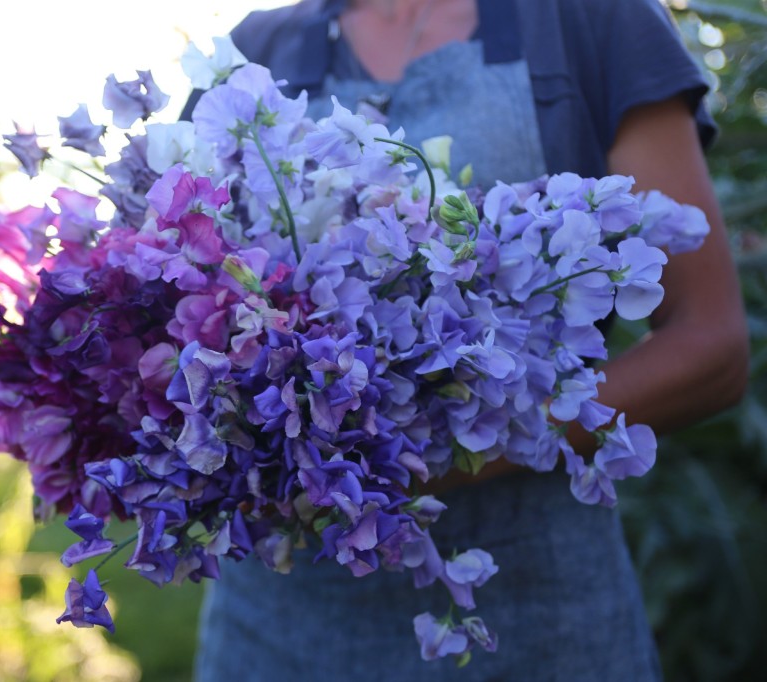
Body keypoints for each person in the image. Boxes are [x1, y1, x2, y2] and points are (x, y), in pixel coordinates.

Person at [189, 0, 750, 679]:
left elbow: (711, 347)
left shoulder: (593, 20)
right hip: (277, 630)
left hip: (533, 618)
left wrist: (430, 454)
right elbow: (185, 289)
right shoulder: (259, 47)